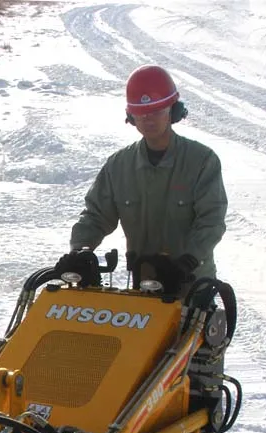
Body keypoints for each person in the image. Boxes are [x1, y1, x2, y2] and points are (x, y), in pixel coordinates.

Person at [67, 64, 228, 296]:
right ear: (130, 117)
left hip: (191, 287)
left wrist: (187, 262)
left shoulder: (202, 161)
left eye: (156, 111)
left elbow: (211, 221)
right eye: (141, 114)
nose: (148, 120)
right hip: (144, 286)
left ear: (173, 111)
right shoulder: (119, 166)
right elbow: (95, 216)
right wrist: (80, 251)